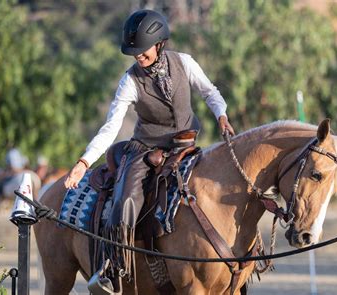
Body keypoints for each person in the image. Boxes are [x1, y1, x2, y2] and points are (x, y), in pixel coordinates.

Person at [63, 9, 235, 286]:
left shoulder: (185, 63)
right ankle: (114, 268)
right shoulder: (129, 81)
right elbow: (111, 127)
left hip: (186, 145)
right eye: (134, 52)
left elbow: (209, 92)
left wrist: (222, 115)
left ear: (160, 44)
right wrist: (83, 162)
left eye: (143, 51)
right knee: (126, 201)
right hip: (145, 149)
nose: (138, 57)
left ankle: (246, 255)